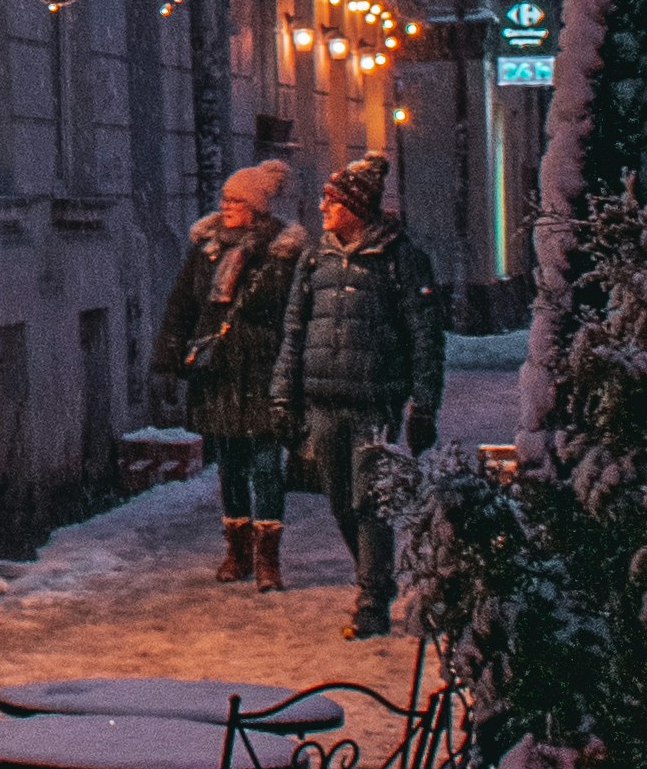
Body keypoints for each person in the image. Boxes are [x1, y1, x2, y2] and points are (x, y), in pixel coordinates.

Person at [274, 151, 444, 637]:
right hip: (323, 401)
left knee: (370, 502)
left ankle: (371, 600)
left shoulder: (401, 259)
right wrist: (283, 396)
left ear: (356, 207)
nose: (322, 207)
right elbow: (294, 332)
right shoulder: (316, 258)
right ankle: (375, 580)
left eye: (332, 201)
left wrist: (423, 403)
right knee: (340, 502)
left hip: (375, 401)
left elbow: (425, 337)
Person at [149, 157, 304, 586]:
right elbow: (182, 305)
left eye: (237, 201)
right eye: (225, 198)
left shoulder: (281, 253)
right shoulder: (206, 250)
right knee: (230, 465)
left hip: (263, 369)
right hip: (217, 370)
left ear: (256, 208)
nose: (227, 206)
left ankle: (268, 558)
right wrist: (168, 359)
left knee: (267, 464)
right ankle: (236, 551)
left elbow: (291, 313)